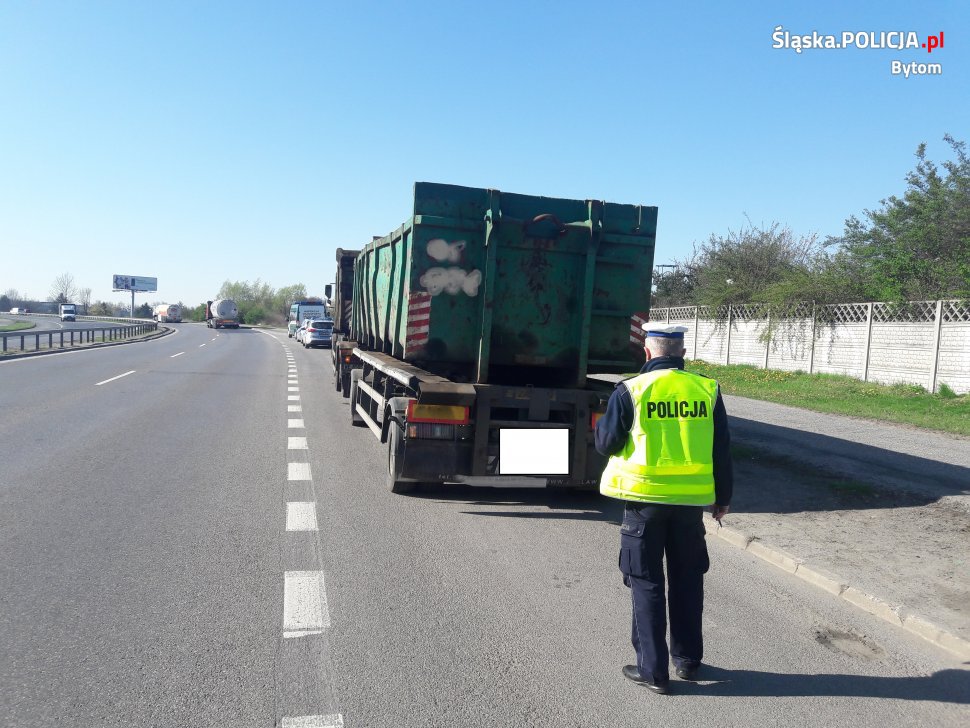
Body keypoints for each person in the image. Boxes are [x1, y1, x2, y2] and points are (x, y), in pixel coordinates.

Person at [595, 323, 733, 695]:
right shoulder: (707, 390)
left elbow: (606, 444)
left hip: (644, 505)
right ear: (682, 354)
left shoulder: (631, 390)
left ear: (647, 352)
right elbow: (721, 448)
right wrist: (723, 498)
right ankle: (687, 661)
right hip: (689, 506)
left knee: (646, 583)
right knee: (688, 581)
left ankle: (653, 671)